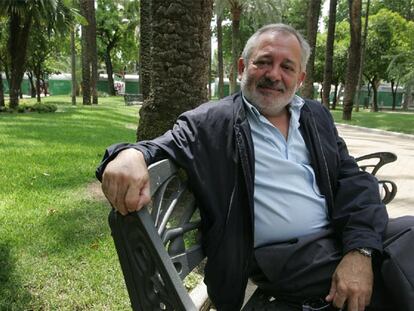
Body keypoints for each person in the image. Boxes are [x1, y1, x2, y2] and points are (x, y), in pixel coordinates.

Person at [96, 24, 414, 311]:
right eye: (263, 62)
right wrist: (126, 156)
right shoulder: (211, 123)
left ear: (300, 78)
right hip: (285, 259)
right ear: (242, 67)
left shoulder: (315, 117)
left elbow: (354, 182)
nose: (274, 74)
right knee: (393, 283)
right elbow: (157, 146)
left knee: (410, 233)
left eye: (287, 66)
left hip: (334, 238)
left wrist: (359, 251)